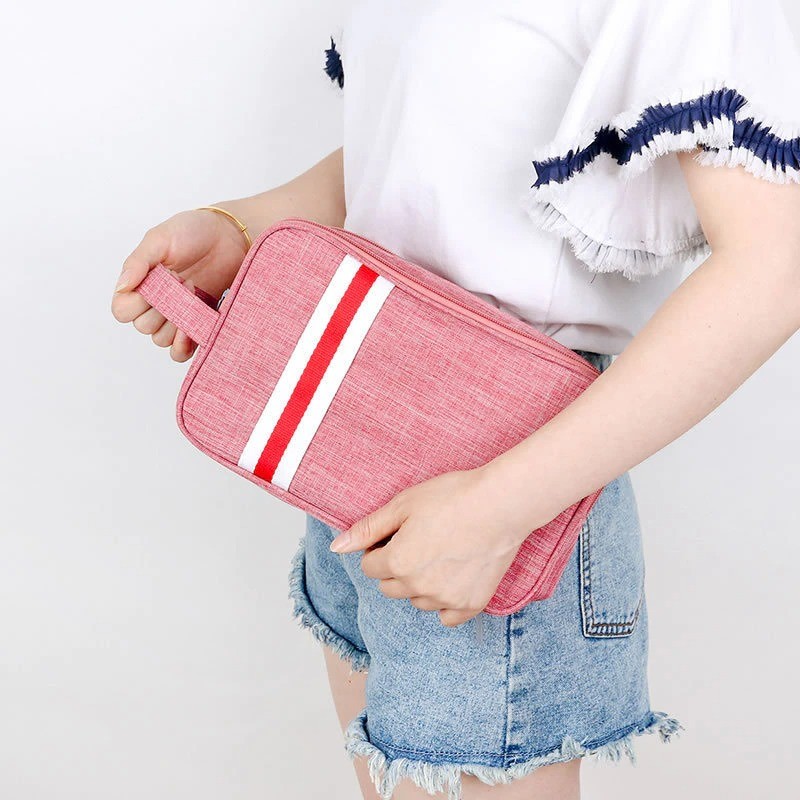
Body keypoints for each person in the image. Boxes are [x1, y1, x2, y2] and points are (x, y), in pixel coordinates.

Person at [110, 2, 800, 798]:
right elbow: (423, 145)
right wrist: (245, 225)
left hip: (508, 482)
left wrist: (495, 511)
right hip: (357, 432)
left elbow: (774, 269)